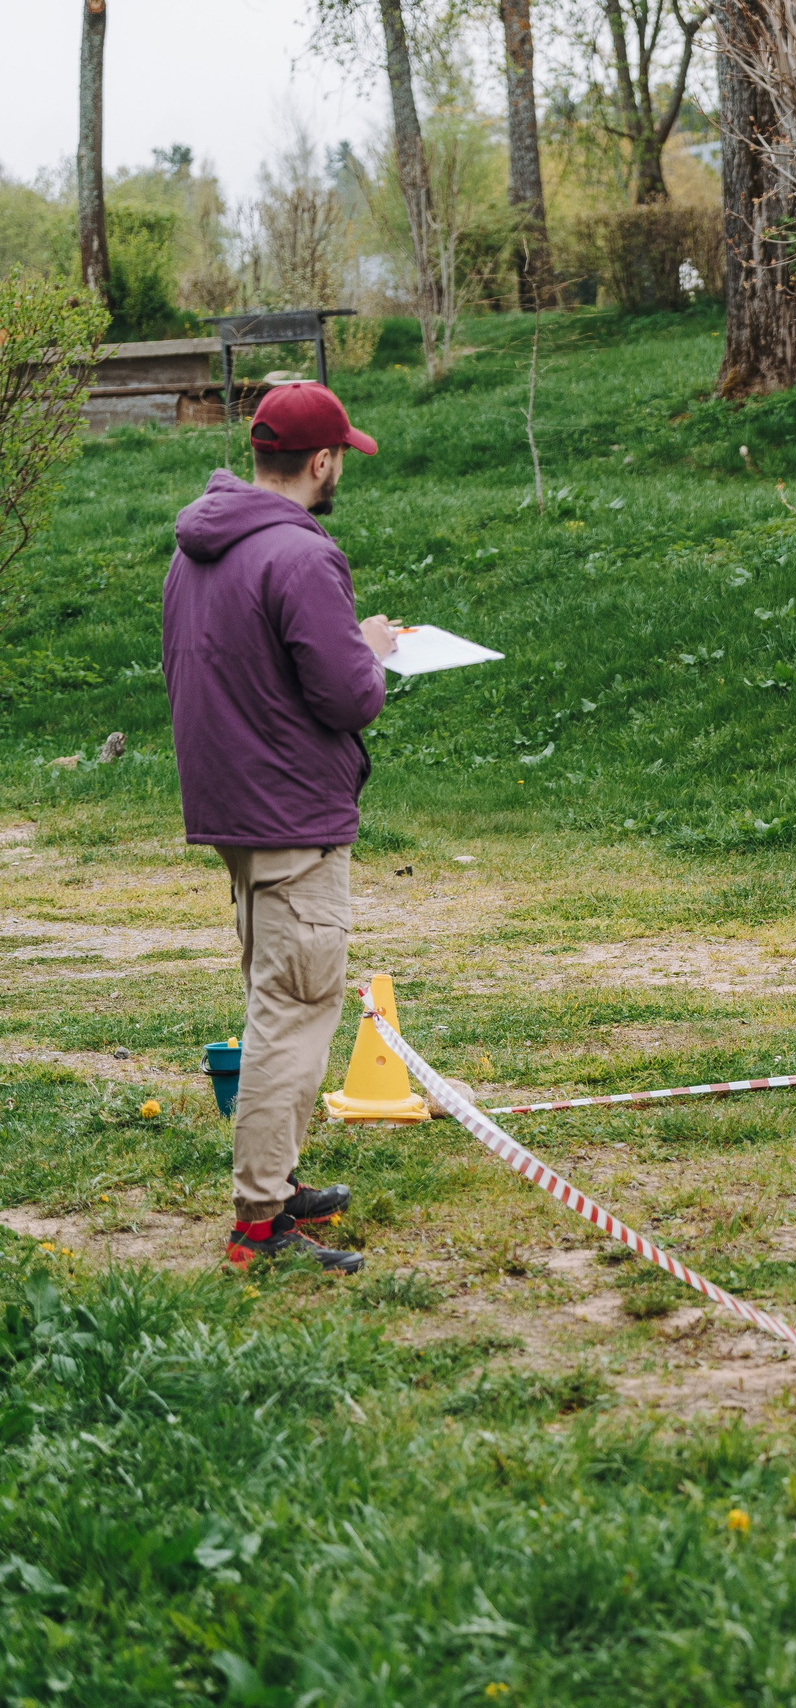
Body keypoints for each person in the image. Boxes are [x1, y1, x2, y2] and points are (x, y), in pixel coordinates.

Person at [163, 384, 392, 1275]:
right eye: (343, 457)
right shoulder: (300, 555)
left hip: (237, 808)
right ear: (323, 461)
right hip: (292, 811)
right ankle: (259, 1226)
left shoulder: (200, 548)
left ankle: (279, 1181)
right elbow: (345, 695)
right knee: (292, 1015)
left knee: (280, 1001)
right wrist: (370, 648)